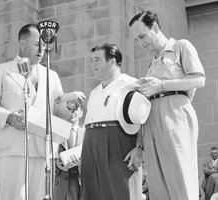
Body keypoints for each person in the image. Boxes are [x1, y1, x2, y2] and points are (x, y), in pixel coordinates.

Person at [0, 24, 85, 200]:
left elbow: (57, 110)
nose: (42, 49)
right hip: (13, 148)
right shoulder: (2, 71)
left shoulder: (51, 75)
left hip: (44, 149)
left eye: (44, 45)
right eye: (37, 44)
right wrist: (8, 117)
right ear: (22, 44)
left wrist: (70, 106)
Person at [129, 10, 206, 200]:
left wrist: (162, 85)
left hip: (175, 116)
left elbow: (199, 79)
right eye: (136, 40)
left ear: (154, 27)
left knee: (180, 180)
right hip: (152, 122)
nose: (140, 43)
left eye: (141, 36)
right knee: (157, 185)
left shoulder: (181, 47)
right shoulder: (150, 64)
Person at [81, 43, 144, 200]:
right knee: (92, 193)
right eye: (91, 61)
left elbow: (145, 120)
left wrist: (140, 147)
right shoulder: (94, 92)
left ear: (113, 61)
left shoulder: (132, 84)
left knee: (121, 193)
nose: (93, 65)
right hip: (90, 145)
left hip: (119, 143)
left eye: (97, 60)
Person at [54, 105, 84, 200]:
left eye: (76, 109)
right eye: (71, 109)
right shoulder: (56, 132)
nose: (73, 112)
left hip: (78, 188)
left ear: (81, 113)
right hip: (58, 187)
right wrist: (57, 165)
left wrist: (81, 164)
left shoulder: (87, 134)